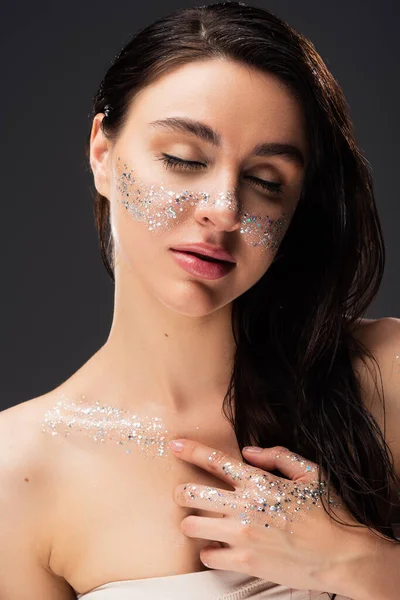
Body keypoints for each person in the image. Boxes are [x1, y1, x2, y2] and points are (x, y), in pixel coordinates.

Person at [0, 2, 399, 599]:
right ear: (102, 155)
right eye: (184, 159)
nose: (225, 209)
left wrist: (354, 561)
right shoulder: (16, 472)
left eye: (266, 181)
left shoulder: (385, 375)